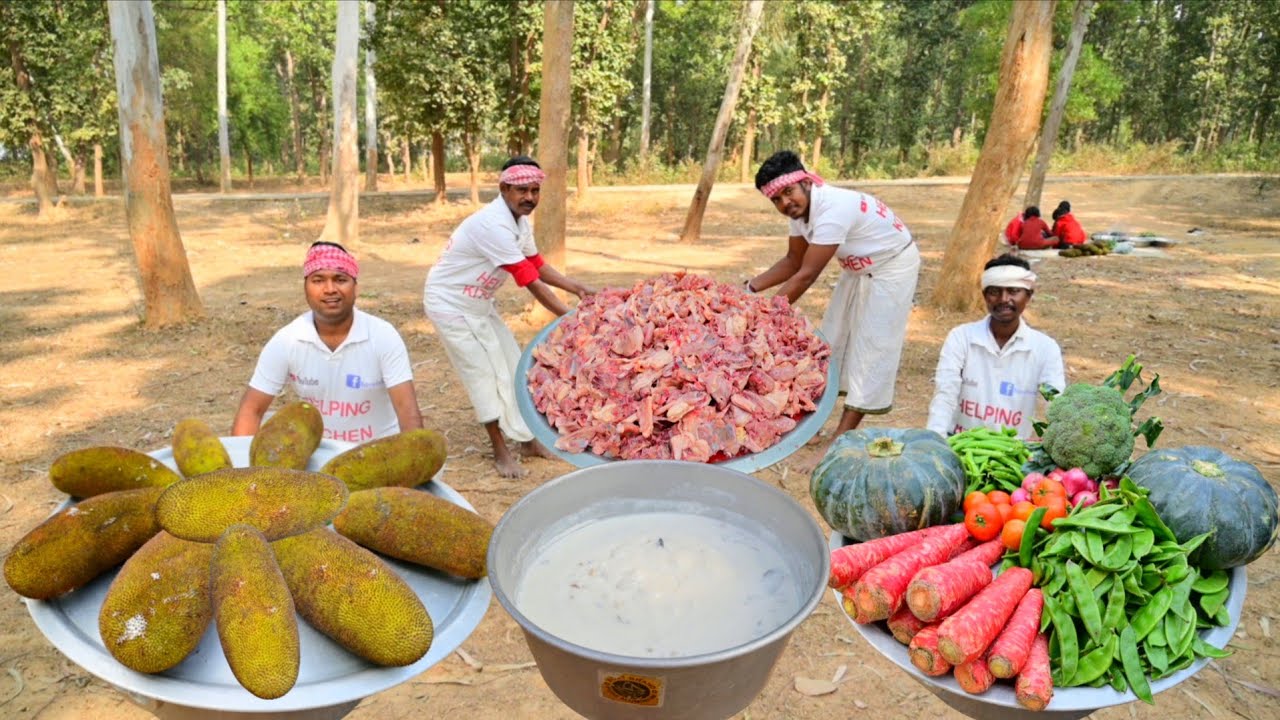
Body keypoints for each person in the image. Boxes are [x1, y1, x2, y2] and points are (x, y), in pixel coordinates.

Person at [424, 156, 595, 478]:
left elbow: (538, 264)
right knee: (482, 375)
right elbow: (529, 280)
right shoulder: (492, 225)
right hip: (449, 304)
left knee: (514, 366)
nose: (529, 197)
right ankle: (500, 451)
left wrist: (577, 287)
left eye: (535, 190)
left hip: (478, 304)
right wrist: (571, 318)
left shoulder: (520, 222)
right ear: (504, 189)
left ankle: (528, 442)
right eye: (521, 191)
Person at [746, 150, 920, 439]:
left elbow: (807, 275)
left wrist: (765, 315)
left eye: (789, 192)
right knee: (832, 340)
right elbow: (792, 260)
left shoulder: (833, 210)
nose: (785, 203)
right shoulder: (800, 213)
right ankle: (814, 425)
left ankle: (841, 437)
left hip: (892, 266)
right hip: (858, 268)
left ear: (807, 182)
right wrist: (749, 289)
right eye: (776, 199)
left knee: (872, 350)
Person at [232, 242, 424, 444]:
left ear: (355, 287)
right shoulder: (288, 340)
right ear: (306, 288)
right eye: (318, 280)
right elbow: (252, 410)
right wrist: (242, 472)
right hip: (318, 455)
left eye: (340, 279)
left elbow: (406, 409)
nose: (330, 289)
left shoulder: (382, 336)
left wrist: (415, 461)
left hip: (381, 453)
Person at [926, 254, 1065, 440]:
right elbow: (945, 393)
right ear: (984, 295)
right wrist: (935, 443)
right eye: (994, 292)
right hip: (959, 444)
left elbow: (1056, 401)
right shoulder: (962, 338)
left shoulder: (1045, 348)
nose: (1003, 299)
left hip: (1012, 454)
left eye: (1014, 291)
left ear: (1029, 295)